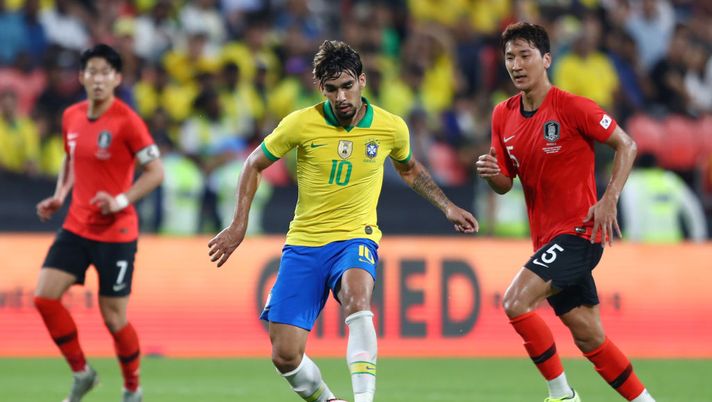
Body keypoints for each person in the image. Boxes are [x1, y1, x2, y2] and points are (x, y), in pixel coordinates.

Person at [208, 40, 478, 402]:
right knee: (285, 355)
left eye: (347, 86)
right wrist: (238, 224)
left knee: (357, 298)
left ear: (362, 81)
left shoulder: (389, 127)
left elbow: (410, 168)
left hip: (356, 238)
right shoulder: (300, 124)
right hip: (304, 244)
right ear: (321, 89)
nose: (341, 97)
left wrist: (446, 205)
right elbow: (254, 163)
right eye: (332, 89)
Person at [476, 22, 656, 402]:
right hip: (547, 238)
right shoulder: (502, 115)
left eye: (525, 55)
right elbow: (506, 182)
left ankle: (561, 395)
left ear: (546, 59)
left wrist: (609, 199)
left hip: (580, 232)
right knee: (590, 336)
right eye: (510, 57)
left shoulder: (572, 107)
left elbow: (627, 145)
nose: (516, 65)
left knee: (514, 302)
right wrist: (495, 175)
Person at [34, 44, 164, 402]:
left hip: (116, 233)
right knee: (44, 298)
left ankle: (132, 389)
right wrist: (61, 194)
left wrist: (120, 200)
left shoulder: (128, 120)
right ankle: (82, 373)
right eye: (91, 71)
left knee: (114, 318)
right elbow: (70, 157)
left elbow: (156, 172)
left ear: (117, 79)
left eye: (105, 72)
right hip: (76, 226)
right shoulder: (71, 116)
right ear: (81, 77)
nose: (98, 79)